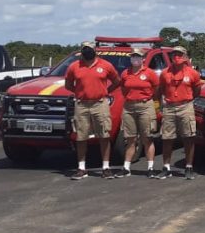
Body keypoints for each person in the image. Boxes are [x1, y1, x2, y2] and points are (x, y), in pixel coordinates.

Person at [66, 41, 121, 180]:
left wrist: (106, 91)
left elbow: (116, 81)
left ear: (95, 50)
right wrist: (79, 92)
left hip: (100, 104)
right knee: (81, 137)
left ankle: (106, 168)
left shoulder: (106, 65)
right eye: (84, 49)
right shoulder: (74, 66)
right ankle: (81, 168)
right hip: (82, 105)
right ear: (81, 51)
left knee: (104, 135)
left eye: (89, 49)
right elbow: (68, 85)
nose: (87, 51)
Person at [157, 46, 205, 180]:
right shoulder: (165, 73)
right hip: (169, 107)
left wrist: (187, 99)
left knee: (188, 137)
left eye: (179, 54)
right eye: (174, 55)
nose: (176, 57)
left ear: (185, 57)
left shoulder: (193, 73)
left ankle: (189, 167)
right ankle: (166, 167)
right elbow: (161, 89)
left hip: (186, 106)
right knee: (167, 138)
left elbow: (197, 90)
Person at [117, 48, 159, 178]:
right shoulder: (125, 73)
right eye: (133, 56)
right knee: (130, 138)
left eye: (138, 57)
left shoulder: (149, 73)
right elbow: (123, 88)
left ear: (143, 59)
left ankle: (150, 168)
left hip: (145, 106)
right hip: (129, 106)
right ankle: (126, 168)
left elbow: (157, 88)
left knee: (147, 138)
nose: (135, 59)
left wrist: (147, 97)